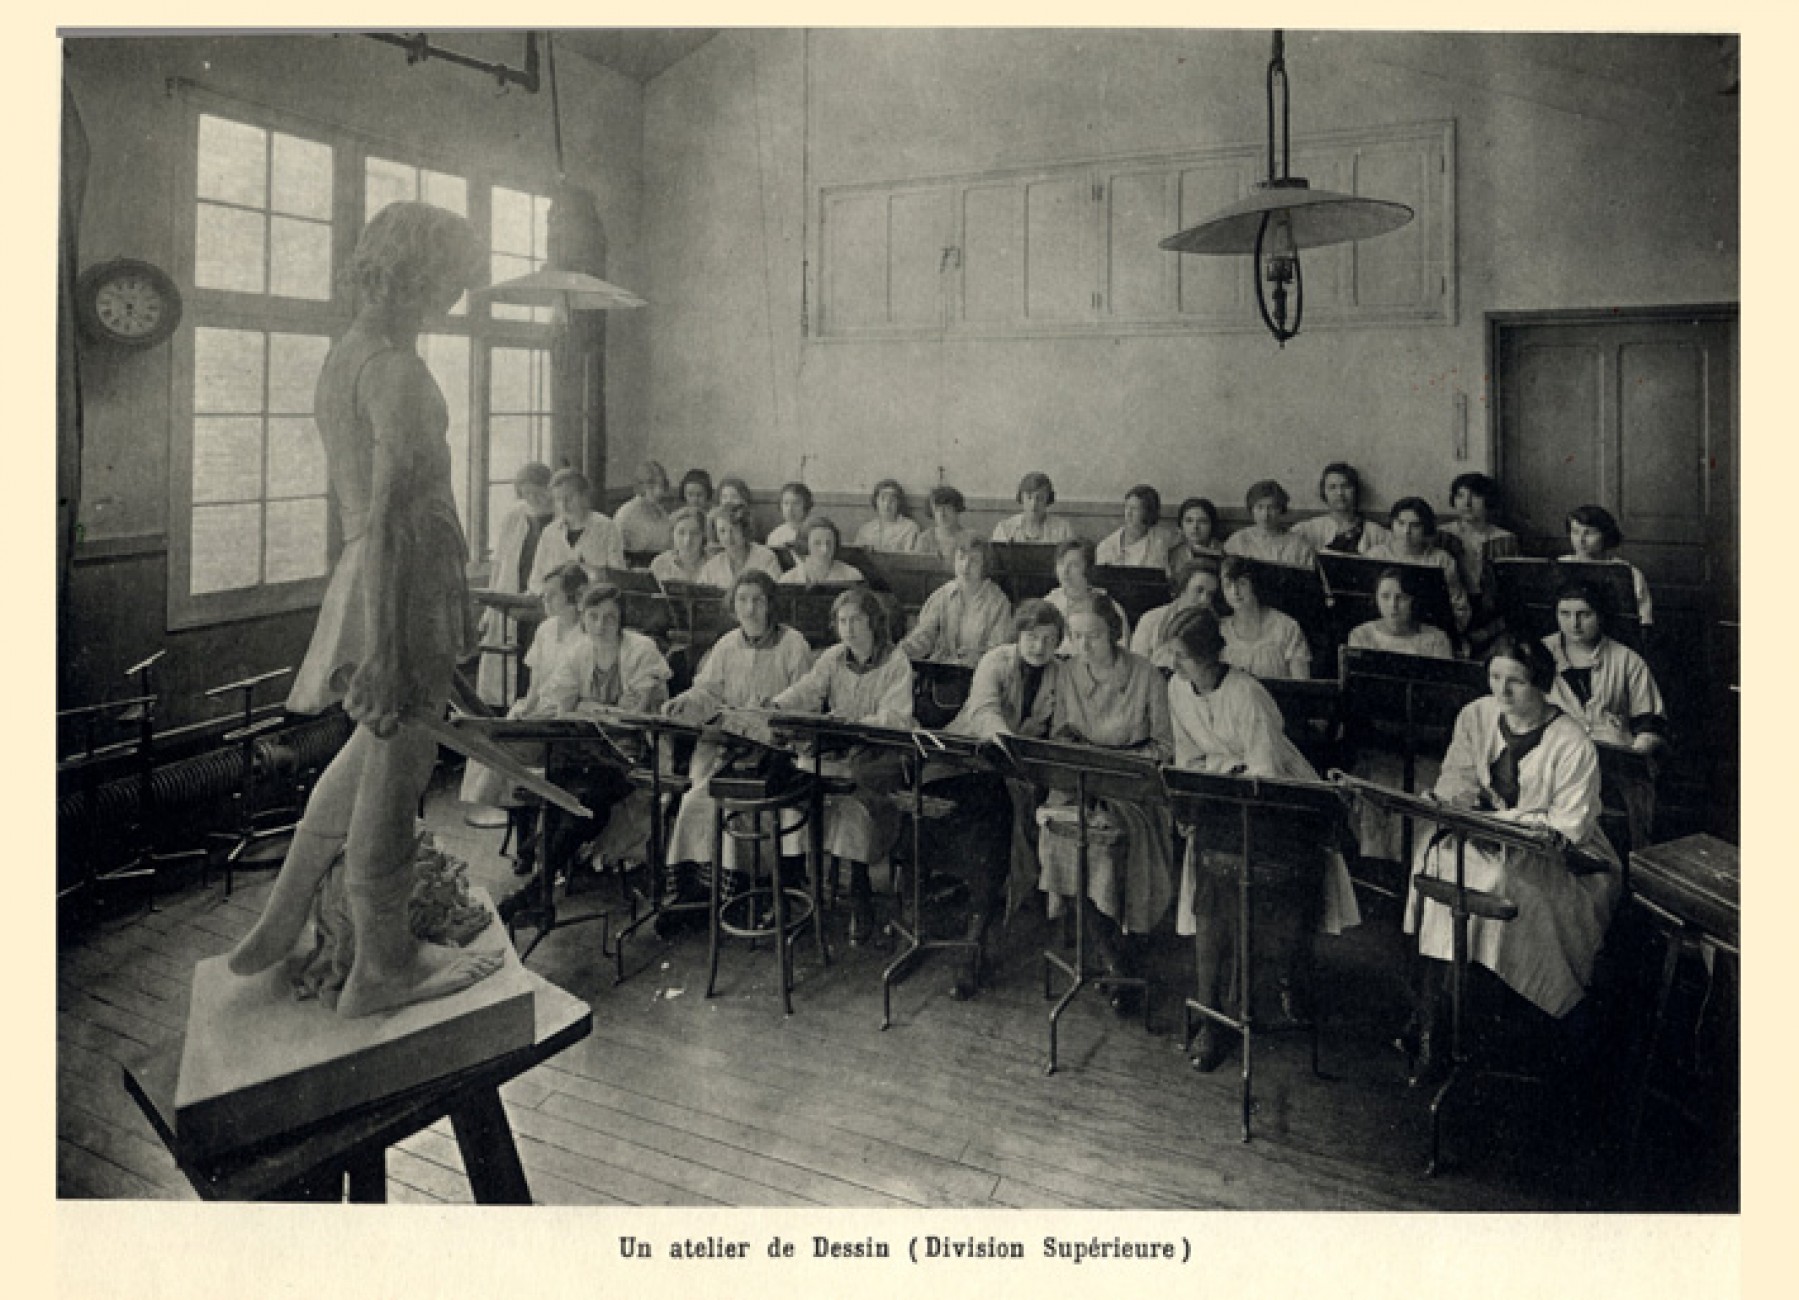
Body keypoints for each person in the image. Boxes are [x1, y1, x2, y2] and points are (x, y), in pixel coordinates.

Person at [228, 201, 502, 1017]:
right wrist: (388, 644)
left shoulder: (346, 357)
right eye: (450, 279)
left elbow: (369, 522)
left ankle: (281, 919)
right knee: (397, 773)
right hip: (401, 590)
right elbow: (388, 525)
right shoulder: (398, 373)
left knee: (366, 752)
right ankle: (383, 966)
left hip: (380, 577)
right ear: (420, 274)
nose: (455, 298)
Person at [1400, 636, 1622, 1085]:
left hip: (1567, 861)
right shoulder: (1477, 715)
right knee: (1438, 860)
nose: (1501, 691)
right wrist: (1452, 801)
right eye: (1495, 677)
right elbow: (1455, 779)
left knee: (1495, 880)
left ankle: (1455, 1022)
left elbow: (1568, 828)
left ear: (1539, 684)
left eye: (1515, 682)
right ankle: (1438, 1018)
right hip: (1487, 837)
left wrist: (1501, 821)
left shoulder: (1572, 742)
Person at [1166, 609, 1359, 1072]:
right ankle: (1210, 1005)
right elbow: (1188, 757)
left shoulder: (1247, 694)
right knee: (1208, 882)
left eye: (1184, 658)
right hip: (1224, 797)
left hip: (1282, 806)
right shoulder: (1176, 688)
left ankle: (1230, 1009)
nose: (1175, 667)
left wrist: (1220, 777)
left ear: (1211, 657)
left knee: (1236, 884)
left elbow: (1266, 774)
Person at [907, 601, 1066, 1001]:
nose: (1039, 646)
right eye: (1031, 636)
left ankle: (973, 944)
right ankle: (940, 931)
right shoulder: (996, 661)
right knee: (989, 820)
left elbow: (1061, 728)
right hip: (961, 764)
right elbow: (984, 712)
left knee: (996, 825)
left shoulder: (1060, 675)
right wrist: (1010, 744)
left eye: (1049, 639)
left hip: (1011, 778)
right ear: (1017, 635)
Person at [498, 584, 673, 922]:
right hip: (583, 754)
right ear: (583, 617)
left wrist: (584, 705)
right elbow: (559, 703)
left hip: (629, 757)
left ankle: (538, 891)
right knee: (559, 793)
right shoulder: (578, 652)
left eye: (609, 617)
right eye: (593, 617)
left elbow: (633, 712)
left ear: (622, 618)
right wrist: (594, 709)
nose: (601, 625)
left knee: (586, 803)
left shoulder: (642, 651)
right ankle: (541, 894)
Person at [658, 569, 817, 931]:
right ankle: (706, 892)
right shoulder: (727, 645)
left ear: (771, 604)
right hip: (729, 749)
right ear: (733, 606)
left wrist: (776, 713)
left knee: (771, 809)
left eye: (758, 600)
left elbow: (807, 699)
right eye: (743, 600)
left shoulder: (794, 645)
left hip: (779, 752)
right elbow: (708, 691)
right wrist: (685, 700)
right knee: (699, 800)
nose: (750, 608)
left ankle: (765, 888)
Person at [1036, 602, 1174, 1016]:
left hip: (1134, 787)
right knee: (1062, 834)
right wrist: (1079, 762)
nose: (1082, 645)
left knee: (1109, 845)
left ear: (1114, 632)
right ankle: (1113, 956)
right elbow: (1061, 734)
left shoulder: (1146, 674)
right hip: (1081, 783)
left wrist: (1118, 768)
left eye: (1092, 635)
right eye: (1075, 636)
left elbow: (1165, 748)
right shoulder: (1068, 673)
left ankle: (1121, 949)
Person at [770, 588, 916, 944]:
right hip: (842, 749)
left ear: (874, 623)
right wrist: (779, 703)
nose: (848, 628)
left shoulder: (896, 661)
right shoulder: (834, 657)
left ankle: (860, 895)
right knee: (799, 786)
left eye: (856, 620)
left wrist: (857, 720)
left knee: (854, 802)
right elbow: (808, 688)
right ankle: (797, 890)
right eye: (842, 621)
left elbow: (897, 718)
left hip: (880, 755)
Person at [460, 562, 591, 853]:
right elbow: (534, 685)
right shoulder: (545, 630)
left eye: (552, 596)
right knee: (501, 736)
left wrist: (539, 714)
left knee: (514, 747)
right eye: (544, 595)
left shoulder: (586, 636)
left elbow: (575, 694)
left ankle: (531, 838)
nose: (544, 601)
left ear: (573, 597)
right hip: (538, 708)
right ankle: (522, 829)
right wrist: (526, 709)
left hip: (566, 715)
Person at [1542, 581, 1668, 851]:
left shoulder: (1627, 660)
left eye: (1584, 614)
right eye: (1564, 614)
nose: (1573, 624)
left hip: (1614, 765)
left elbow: (1652, 725)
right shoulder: (1541, 653)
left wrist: (1632, 746)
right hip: (1556, 762)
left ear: (1601, 616)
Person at [474, 460, 554, 708]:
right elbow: (499, 564)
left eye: (539, 492)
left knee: (538, 659)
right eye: (527, 494)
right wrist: (489, 609)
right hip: (511, 596)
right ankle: (508, 709)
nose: (533, 498)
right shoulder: (514, 516)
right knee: (509, 659)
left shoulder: (559, 519)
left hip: (543, 601)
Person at [1363, 496, 1472, 633]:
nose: (1406, 532)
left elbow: (1460, 608)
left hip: (1427, 632)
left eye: (1415, 525)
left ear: (1426, 528)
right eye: (1401, 523)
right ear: (1392, 524)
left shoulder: (1441, 560)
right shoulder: (1375, 556)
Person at [899, 536, 1013, 664]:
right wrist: (910, 647)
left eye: (974, 560)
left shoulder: (997, 602)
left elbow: (999, 651)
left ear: (984, 566)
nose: (966, 566)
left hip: (978, 673)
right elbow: (926, 634)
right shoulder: (942, 594)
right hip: (942, 670)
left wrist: (978, 656)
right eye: (961, 558)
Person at [528, 468, 625, 590]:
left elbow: (617, 577)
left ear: (584, 496)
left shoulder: (607, 528)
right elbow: (535, 580)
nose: (564, 505)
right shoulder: (549, 532)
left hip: (593, 601)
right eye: (558, 499)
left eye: (569, 498)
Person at [1219, 556, 1312, 680]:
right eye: (1228, 585)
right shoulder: (1220, 630)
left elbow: (1302, 685)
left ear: (1254, 585)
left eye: (1242, 583)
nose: (1234, 592)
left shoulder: (1286, 627)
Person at [1565, 504, 1654, 627]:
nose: (1580, 540)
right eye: (1575, 532)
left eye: (1589, 533)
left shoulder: (1628, 572)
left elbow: (1644, 620)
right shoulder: (1560, 567)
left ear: (1606, 536)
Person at [1132, 555, 1223, 671]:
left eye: (1210, 594)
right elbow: (1137, 668)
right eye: (1199, 590)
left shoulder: (1216, 626)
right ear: (1183, 588)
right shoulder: (1151, 619)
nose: (1205, 600)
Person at [1436, 472, 1517, 603]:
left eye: (1475, 496)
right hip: (1450, 603)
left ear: (1488, 499)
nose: (1467, 503)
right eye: (1460, 496)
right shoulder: (1442, 535)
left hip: (1491, 606)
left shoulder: (1506, 539)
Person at [1346, 567, 1456, 658]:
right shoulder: (1361, 635)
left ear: (1413, 600)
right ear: (1376, 598)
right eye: (1385, 597)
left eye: (1401, 597)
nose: (1393, 605)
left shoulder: (1436, 640)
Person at [1044, 537, 1131, 653]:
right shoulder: (1049, 602)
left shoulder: (1108, 606)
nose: (1065, 571)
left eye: (1074, 565)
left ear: (1088, 569)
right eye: (1061, 564)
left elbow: (1119, 652)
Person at [1293, 462, 1391, 555]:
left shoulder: (1376, 533)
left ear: (1355, 490)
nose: (1340, 493)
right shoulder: (1306, 530)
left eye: (1346, 486)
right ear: (1324, 492)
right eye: (1332, 487)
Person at [1223, 479, 1317, 568]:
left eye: (1272, 508)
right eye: (1260, 507)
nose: (1265, 514)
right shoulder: (1238, 541)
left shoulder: (1298, 545)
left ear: (1280, 510)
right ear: (1252, 510)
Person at [697, 501, 783, 588]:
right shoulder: (712, 566)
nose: (728, 537)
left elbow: (773, 593)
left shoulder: (766, 558)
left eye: (733, 530)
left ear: (744, 529)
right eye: (722, 531)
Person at [1096, 485, 1174, 568]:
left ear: (1148, 512)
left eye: (1135, 508)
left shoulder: (1161, 538)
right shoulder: (1107, 546)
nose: (1128, 513)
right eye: (1127, 507)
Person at [991, 470, 1075, 544]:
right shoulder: (1005, 528)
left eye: (1040, 498)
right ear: (1021, 497)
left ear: (1048, 499)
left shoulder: (1063, 529)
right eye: (1029, 497)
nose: (1034, 504)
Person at [779, 515, 865, 585]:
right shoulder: (788, 580)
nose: (825, 550)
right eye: (817, 543)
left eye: (829, 543)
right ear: (805, 545)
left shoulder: (852, 576)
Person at [612, 459, 673, 555]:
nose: (659, 492)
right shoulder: (626, 513)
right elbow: (616, 551)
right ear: (640, 486)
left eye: (661, 486)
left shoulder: (660, 510)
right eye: (652, 486)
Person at [855, 477, 923, 552]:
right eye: (883, 499)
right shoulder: (866, 530)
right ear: (876, 501)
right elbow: (856, 556)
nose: (887, 504)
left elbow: (910, 559)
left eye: (892, 500)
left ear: (899, 503)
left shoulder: (910, 528)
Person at [650, 505, 710, 585]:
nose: (687, 540)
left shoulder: (713, 564)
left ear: (703, 535)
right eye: (681, 533)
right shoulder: (660, 563)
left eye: (694, 533)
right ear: (672, 534)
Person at [1164, 496, 1224, 575]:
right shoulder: (1172, 555)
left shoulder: (1224, 552)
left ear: (1212, 525)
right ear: (1181, 525)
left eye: (1202, 521)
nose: (1195, 527)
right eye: (1189, 521)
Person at [914, 484, 975, 561]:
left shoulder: (970, 538)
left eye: (947, 508)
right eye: (937, 510)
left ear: (957, 510)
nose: (942, 514)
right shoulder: (925, 539)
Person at [765, 481, 815, 553]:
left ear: (806, 505)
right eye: (786, 503)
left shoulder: (816, 531)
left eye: (796, 503)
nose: (790, 509)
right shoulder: (775, 536)